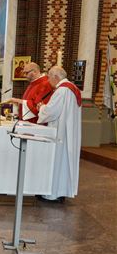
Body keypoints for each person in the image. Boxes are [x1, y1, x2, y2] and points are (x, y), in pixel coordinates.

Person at [37, 66, 82, 202]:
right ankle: (61, 191)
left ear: (56, 77)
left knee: (57, 161)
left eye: (49, 77)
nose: (48, 80)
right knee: (64, 162)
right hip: (67, 132)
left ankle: (53, 194)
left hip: (60, 132)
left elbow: (51, 112)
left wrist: (42, 107)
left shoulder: (62, 90)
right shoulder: (72, 88)